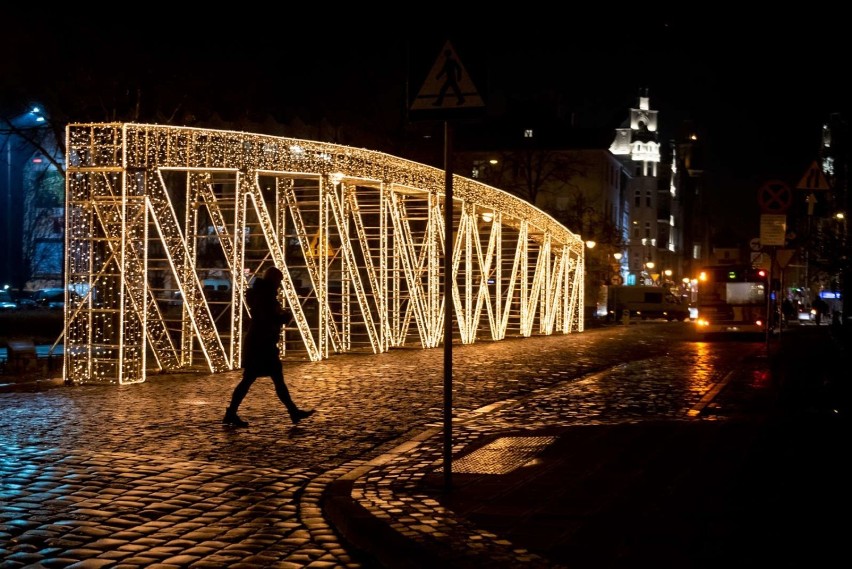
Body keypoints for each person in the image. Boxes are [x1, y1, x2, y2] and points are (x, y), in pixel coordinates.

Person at [224, 266, 314, 427]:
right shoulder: (265, 296)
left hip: (260, 343)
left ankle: (293, 411)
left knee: (262, 380)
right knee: (254, 380)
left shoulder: (262, 294)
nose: (280, 284)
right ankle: (231, 413)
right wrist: (283, 317)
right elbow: (267, 318)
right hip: (261, 345)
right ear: (273, 280)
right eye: (279, 280)